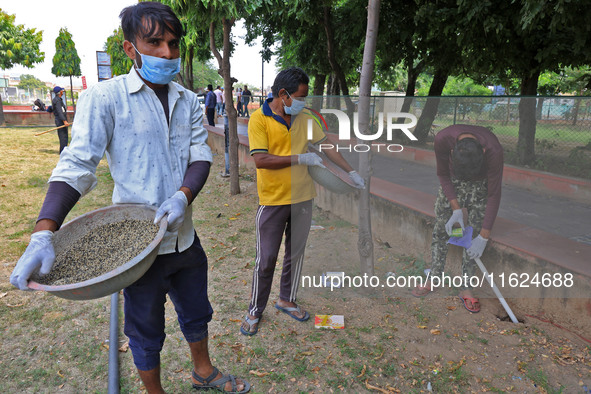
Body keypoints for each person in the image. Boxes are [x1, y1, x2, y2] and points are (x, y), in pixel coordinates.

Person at [9, 3, 249, 393]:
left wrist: (182, 197)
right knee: (144, 328)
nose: (167, 53)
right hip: (135, 248)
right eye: (154, 42)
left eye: (173, 43)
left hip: (183, 236)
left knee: (197, 312)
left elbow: (200, 156)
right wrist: (44, 230)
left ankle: (202, 371)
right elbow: (77, 165)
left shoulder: (188, 101)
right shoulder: (105, 98)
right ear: (130, 48)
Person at [240, 67, 365, 336]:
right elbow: (261, 160)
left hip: (303, 199)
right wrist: (299, 158)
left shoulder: (306, 117)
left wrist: (350, 171)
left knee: (295, 255)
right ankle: (254, 310)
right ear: (283, 95)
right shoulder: (259, 119)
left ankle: (286, 298)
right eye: (300, 96)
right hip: (273, 201)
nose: (304, 102)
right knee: (266, 258)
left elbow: (326, 145)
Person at [412, 124, 504, 314]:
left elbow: (494, 194)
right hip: (453, 182)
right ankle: (434, 277)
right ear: (452, 151)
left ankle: (466, 287)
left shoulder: (494, 150)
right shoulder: (442, 140)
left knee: (474, 235)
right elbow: (443, 174)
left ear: (484, 151)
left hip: (481, 186)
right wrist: (456, 210)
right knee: (441, 230)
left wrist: (483, 237)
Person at [51, 86, 70, 153]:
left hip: (61, 120)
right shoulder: (57, 100)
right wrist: (64, 121)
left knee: (65, 136)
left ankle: (64, 150)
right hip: (60, 121)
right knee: (63, 137)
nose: (62, 91)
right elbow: (59, 111)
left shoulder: (58, 99)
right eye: (62, 90)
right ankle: (62, 151)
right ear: (60, 92)